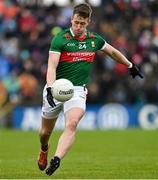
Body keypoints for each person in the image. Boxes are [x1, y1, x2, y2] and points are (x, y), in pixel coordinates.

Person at [37, 3, 143, 176]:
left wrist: (130, 65)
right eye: (76, 22)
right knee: (44, 132)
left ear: (88, 22)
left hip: (77, 90)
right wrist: (50, 88)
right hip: (56, 87)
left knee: (72, 123)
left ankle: (57, 158)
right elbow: (51, 66)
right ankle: (44, 149)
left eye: (82, 23)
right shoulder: (60, 38)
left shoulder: (94, 39)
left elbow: (113, 52)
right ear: (71, 19)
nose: (78, 27)